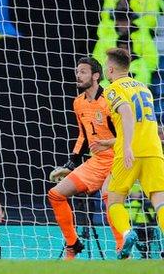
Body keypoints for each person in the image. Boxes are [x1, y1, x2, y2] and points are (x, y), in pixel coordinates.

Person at [47, 57, 123, 259]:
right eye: (77, 72)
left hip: (117, 159)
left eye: (83, 72)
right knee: (55, 194)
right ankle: (73, 244)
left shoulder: (110, 100)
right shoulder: (78, 102)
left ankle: (122, 250)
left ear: (96, 76)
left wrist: (109, 144)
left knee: (109, 197)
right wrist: (71, 163)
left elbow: (126, 135)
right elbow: (83, 135)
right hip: (96, 161)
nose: (78, 75)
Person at [102, 47, 164, 259]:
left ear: (110, 69)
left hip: (129, 152)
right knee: (160, 200)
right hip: (154, 150)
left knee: (114, 200)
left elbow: (127, 112)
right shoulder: (144, 88)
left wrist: (127, 145)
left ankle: (128, 233)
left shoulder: (112, 89)